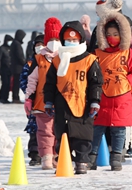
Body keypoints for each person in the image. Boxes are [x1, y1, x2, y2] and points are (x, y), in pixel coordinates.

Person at [44, 20, 103, 174]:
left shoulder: (90, 60)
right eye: (68, 40)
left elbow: (96, 83)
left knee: (82, 135)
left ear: (80, 40)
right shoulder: (57, 60)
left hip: (83, 104)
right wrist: (48, 102)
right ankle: (65, 160)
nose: (71, 43)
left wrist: (95, 101)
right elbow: (49, 83)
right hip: (62, 103)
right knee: (62, 134)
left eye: (74, 40)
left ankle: (82, 161)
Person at [89, 11, 132, 171]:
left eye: (115, 34)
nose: (112, 37)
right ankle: (91, 157)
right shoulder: (97, 54)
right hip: (101, 96)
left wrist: (127, 83)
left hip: (122, 96)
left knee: (119, 130)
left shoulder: (127, 53)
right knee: (97, 128)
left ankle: (116, 158)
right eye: (108, 34)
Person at [25, 17, 62, 169]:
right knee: (45, 131)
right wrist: (28, 98)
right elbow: (32, 80)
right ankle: (46, 157)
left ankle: (59, 156)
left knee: (59, 131)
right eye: (50, 38)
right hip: (41, 101)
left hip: (62, 102)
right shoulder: (39, 58)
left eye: (56, 38)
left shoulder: (66, 56)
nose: (53, 42)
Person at [20, 32, 45, 166]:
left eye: (42, 44)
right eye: (37, 45)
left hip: (47, 100)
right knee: (34, 128)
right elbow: (23, 81)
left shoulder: (51, 61)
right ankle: (35, 154)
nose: (40, 47)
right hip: (34, 101)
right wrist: (30, 94)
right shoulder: (29, 64)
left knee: (48, 129)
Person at [10, 29, 26, 103]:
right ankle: (16, 97)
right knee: (16, 84)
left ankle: (15, 97)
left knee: (16, 84)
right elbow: (20, 56)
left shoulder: (14, 43)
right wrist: (24, 63)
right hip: (18, 68)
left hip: (15, 67)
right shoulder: (17, 44)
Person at [0, 34, 13, 103]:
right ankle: (2, 98)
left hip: (9, 69)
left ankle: (6, 98)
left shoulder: (10, 48)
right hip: (3, 69)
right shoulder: (2, 48)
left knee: (8, 84)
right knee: (4, 83)